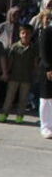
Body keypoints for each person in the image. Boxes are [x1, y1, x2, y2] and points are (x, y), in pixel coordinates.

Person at [38, 9, 52, 139]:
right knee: (46, 98)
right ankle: (45, 127)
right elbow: (43, 52)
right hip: (48, 69)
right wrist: (48, 68)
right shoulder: (47, 31)